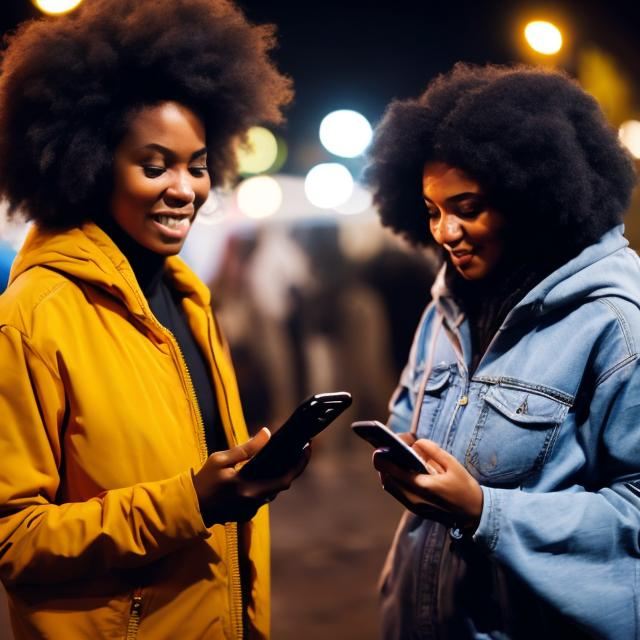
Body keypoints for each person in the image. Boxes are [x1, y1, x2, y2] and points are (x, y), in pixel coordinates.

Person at [0, 1, 306, 638]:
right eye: (154, 164)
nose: (184, 188)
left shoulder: (186, 297)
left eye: (196, 165)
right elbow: (13, 540)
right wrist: (191, 503)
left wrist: (250, 478)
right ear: (88, 163)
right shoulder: (32, 319)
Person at [364, 63, 640, 639]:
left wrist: (485, 512)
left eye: (467, 207)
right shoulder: (446, 306)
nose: (444, 232)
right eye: (433, 210)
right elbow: (407, 416)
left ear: (531, 196)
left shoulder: (614, 324)